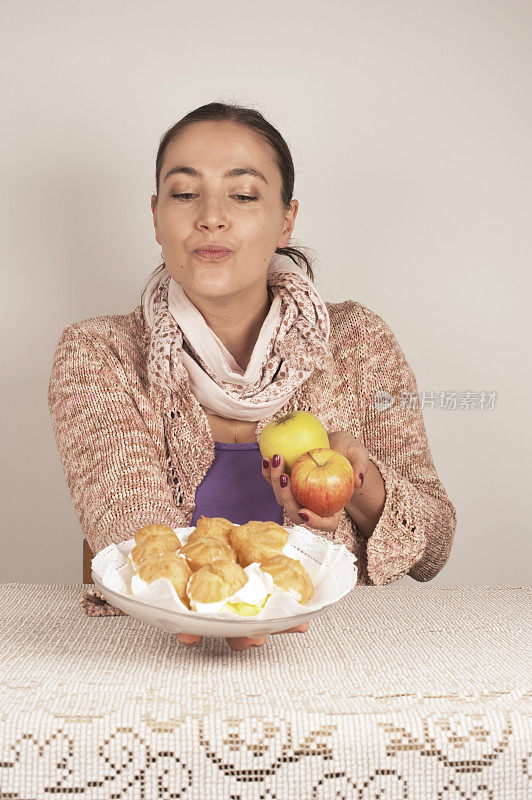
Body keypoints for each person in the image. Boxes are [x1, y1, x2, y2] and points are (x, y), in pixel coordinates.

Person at [48, 102, 457, 651]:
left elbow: (435, 549)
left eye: (242, 195)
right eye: (184, 193)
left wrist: (359, 487)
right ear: (155, 216)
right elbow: (144, 549)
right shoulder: (100, 354)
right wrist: (250, 609)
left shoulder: (359, 341)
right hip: (153, 656)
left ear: (286, 219)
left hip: (339, 654)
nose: (210, 217)